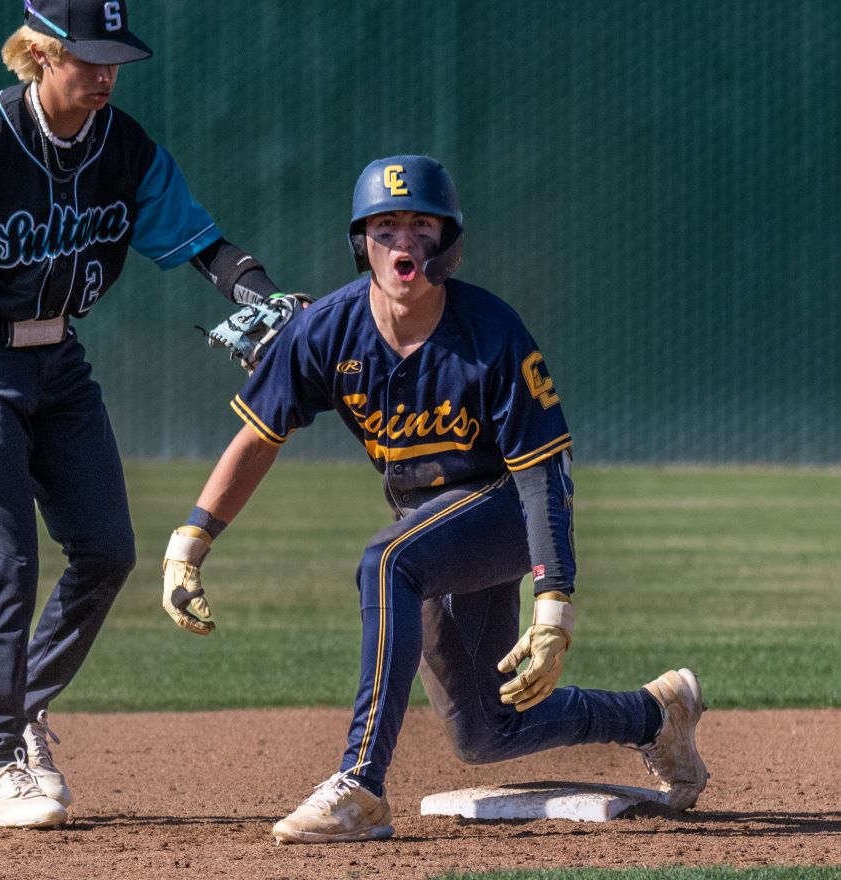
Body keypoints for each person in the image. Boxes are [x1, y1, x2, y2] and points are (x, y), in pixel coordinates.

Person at [160, 155, 710, 844]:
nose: (403, 242)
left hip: (506, 504)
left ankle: (359, 785)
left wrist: (554, 607)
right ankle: (655, 716)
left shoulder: (492, 332)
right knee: (483, 730)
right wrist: (192, 540)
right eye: (385, 226)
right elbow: (259, 436)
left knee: (388, 562)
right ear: (361, 242)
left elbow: (543, 473)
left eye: (421, 225)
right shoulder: (326, 330)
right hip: (429, 524)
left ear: (448, 242)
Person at [0, 0, 291, 829]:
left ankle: (17, 708)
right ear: (41, 54)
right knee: (6, 557)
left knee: (108, 551)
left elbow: (201, 244)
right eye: (88, 57)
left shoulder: (126, 147)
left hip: (58, 358)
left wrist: (268, 297)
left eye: (116, 59)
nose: (105, 74)